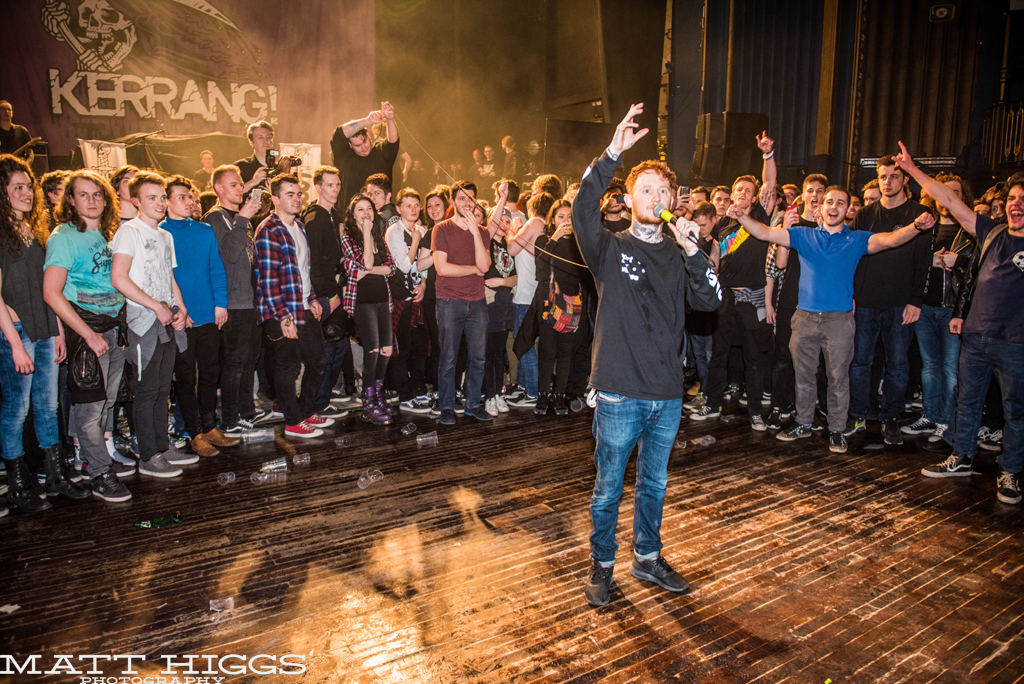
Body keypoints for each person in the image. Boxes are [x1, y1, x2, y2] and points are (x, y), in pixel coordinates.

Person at [574, 104, 721, 606]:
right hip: (618, 391)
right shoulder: (609, 248)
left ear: (673, 200)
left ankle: (647, 557)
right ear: (630, 199)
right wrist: (612, 153)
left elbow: (711, 302)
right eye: (645, 190)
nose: (655, 197)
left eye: (663, 191)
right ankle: (602, 563)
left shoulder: (682, 254)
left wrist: (695, 251)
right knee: (608, 487)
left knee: (654, 484)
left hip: (667, 393)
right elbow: (582, 208)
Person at [729, 186, 935, 452]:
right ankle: (803, 423)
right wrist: (742, 217)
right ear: (821, 207)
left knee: (838, 378)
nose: (834, 207)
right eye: (829, 202)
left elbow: (892, 240)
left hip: (838, 321)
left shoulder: (857, 239)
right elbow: (766, 232)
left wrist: (916, 227)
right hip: (804, 318)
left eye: (840, 203)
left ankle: (837, 430)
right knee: (803, 376)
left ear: (847, 209)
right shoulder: (803, 235)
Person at [896, 144, 1024, 505]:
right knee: (966, 402)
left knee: (1016, 411)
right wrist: (913, 170)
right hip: (976, 335)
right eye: (1012, 198)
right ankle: (961, 456)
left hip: (1015, 342)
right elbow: (950, 201)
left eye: (1023, 199)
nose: (1016, 204)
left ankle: (1010, 471)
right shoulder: (992, 232)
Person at [0, 155, 86, 515]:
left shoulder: (34, 231)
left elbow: (49, 289)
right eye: (17, 187)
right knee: (16, 410)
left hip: (46, 330)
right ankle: (18, 485)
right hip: (16, 332)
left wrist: (59, 331)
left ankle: (54, 476)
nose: (27, 193)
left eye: (29, 186)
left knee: (48, 407)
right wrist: (15, 345)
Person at [44, 170, 132, 501]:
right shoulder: (64, 237)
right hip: (88, 333)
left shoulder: (105, 234)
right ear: (71, 200)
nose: (92, 200)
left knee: (105, 402)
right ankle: (98, 473)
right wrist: (86, 334)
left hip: (113, 329)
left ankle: (90, 458)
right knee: (90, 408)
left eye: (97, 194)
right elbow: (51, 293)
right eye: (83, 194)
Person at [690, 133, 777, 429]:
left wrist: (767, 155)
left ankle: (755, 412)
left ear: (754, 197)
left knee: (753, 358)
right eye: (738, 189)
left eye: (747, 190)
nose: (742, 193)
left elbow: (770, 184)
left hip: (751, 298)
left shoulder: (760, 215)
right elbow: (716, 258)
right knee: (719, 356)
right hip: (725, 298)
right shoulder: (725, 223)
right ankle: (712, 404)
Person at [111, 171, 194, 478]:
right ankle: (148, 455)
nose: (159, 203)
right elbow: (118, 278)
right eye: (151, 198)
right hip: (143, 323)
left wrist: (181, 308)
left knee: (162, 388)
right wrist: (154, 305)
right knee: (146, 391)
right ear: (136, 201)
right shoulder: (129, 231)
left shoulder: (165, 235)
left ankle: (162, 446)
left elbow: (168, 277)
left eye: (161, 197)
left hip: (166, 319)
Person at [845, 155, 931, 445]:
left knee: (897, 364)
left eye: (894, 176)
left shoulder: (919, 214)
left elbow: (924, 261)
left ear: (905, 179)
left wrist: (916, 300)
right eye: (883, 176)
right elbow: (853, 258)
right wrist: (852, 295)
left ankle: (891, 418)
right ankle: (857, 414)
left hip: (900, 304)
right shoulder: (865, 214)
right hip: (865, 301)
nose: (887, 182)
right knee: (859, 363)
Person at [160, 176, 237, 458]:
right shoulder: (160, 232)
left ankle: (210, 426)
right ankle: (193, 433)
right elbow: (161, 278)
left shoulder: (204, 230)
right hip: (181, 319)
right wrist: (178, 309)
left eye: (191, 197)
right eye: (182, 197)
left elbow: (216, 268)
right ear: (167, 201)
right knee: (185, 378)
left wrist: (221, 304)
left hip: (208, 315)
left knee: (210, 374)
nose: (190, 201)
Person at [901, 173, 975, 445]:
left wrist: (960, 261)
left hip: (953, 309)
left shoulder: (970, 231)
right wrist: (927, 260)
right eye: (944, 192)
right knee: (929, 366)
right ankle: (929, 416)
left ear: (963, 197)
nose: (947, 198)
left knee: (950, 369)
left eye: (955, 192)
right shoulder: (925, 229)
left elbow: (979, 270)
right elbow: (908, 262)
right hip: (925, 307)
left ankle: (946, 421)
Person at [254, 174, 329, 439]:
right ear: (275, 199)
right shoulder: (269, 230)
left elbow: (302, 271)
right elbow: (267, 280)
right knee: (288, 367)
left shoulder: (300, 227)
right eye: (289, 194)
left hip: (303, 306)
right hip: (282, 311)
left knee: (318, 362)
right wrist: (283, 316)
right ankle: (292, 421)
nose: (296, 199)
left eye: (298, 194)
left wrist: (312, 298)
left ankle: (306, 412)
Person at [431, 180, 501, 425]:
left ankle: (472, 404)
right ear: (452, 201)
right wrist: (472, 269)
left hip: (477, 300)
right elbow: (442, 268)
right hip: (449, 301)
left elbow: (485, 266)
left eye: (470, 198)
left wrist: (474, 233)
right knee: (449, 358)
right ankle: (446, 407)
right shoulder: (441, 229)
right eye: (461, 198)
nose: (467, 203)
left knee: (478, 357)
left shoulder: (481, 231)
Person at [205, 165, 268, 435]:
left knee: (250, 359)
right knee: (235, 363)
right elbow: (229, 254)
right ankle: (230, 420)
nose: (240, 189)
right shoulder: (215, 217)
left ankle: (247, 412)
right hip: (232, 302)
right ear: (218, 188)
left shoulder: (242, 218)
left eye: (241, 184)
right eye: (233, 184)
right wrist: (242, 219)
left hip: (251, 300)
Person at [765, 173, 827, 429]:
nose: (815, 195)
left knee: (814, 361)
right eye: (810, 190)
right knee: (783, 357)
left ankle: (807, 408)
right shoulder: (792, 222)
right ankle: (778, 406)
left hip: (819, 303)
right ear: (803, 195)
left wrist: (824, 228)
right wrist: (787, 230)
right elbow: (779, 264)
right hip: (791, 300)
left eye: (819, 191)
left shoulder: (829, 226)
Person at [339, 193, 396, 425]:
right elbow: (368, 263)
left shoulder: (378, 238)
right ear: (353, 215)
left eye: (369, 208)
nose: (366, 213)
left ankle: (378, 396)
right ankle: (368, 401)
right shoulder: (348, 238)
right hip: (362, 301)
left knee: (386, 350)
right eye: (360, 210)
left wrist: (364, 270)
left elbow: (390, 268)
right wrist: (365, 234)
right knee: (372, 351)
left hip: (383, 298)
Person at [301, 165, 351, 421]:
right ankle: (318, 403)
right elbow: (313, 265)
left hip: (333, 289)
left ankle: (323, 399)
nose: (335, 189)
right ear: (318, 187)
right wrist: (329, 296)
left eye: (337, 185)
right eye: (330, 185)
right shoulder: (315, 218)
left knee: (339, 346)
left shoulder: (333, 215)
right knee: (327, 349)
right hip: (322, 293)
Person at [532, 198, 587, 416]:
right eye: (560, 217)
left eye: (569, 217)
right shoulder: (544, 240)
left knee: (565, 354)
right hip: (550, 302)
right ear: (553, 220)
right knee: (547, 353)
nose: (566, 221)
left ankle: (560, 395)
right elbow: (540, 268)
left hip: (572, 304)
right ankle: (543, 395)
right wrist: (554, 238)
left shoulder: (579, 242)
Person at [506, 191, 555, 408]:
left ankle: (532, 392)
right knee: (527, 342)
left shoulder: (534, 223)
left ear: (532, 208)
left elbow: (511, 248)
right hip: (535, 292)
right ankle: (525, 387)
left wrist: (514, 229)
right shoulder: (548, 228)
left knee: (524, 343)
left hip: (526, 294)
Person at [386, 187, 432, 414]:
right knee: (400, 350)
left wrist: (423, 283)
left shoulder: (422, 229)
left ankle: (418, 388)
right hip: (399, 298)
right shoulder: (394, 231)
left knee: (420, 348)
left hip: (417, 298)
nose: (413, 209)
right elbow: (404, 266)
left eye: (416, 205)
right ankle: (405, 396)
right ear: (398, 208)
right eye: (407, 205)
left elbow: (424, 266)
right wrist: (415, 241)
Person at [330, 102, 400, 212]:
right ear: (350, 145)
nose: (363, 147)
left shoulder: (381, 152)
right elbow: (338, 134)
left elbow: (393, 141)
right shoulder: (344, 156)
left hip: (380, 216)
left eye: (365, 141)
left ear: (368, 135)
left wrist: (390, 119)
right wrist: (368, 120)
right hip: (350, 216)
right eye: (357, 145)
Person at [482, 201, 517, 416]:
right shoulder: (485, 242)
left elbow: (514, 278)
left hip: (505, 305)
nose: (504, 225)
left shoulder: (508, 247)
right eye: (500, 220)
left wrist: (502, 282)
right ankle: (489, 396)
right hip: (489, 305)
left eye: (508, 221)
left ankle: (497, 393)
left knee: (499, 353)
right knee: (488, 353)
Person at [234, 121, 280, 194]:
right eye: (260, 138)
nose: (266, 141)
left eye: (269, 137)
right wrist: (254, 181)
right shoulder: (241, 166)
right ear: (251, 142)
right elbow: (231, 194)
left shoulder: (279, 169)